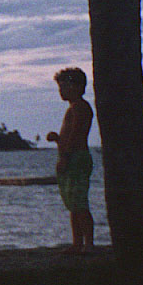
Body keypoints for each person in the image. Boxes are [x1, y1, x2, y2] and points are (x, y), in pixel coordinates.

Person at [47, 66, 95, 253]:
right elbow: (70, 137)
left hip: (76, 158)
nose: (61, 91)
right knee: (73, 203)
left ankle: (88, 243)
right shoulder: (74, 108)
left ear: (76, 87)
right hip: (71, 156)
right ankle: (78, 243)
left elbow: (76, 135)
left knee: (79, 202)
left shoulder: (80, 108)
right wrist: (57, 139)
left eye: (64, 87)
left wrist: (65, 157)